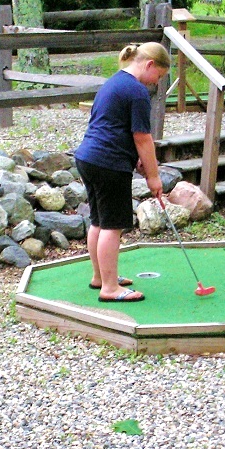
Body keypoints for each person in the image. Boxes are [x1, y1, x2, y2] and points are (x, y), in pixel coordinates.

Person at [74, 42, 170, 303]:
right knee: (113, 225)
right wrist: (153, 175)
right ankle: (110, 288)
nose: (156, 83)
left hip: (88, 157)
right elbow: (143, 138)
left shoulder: (113, 82)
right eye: (159, 76)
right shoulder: (137, 91)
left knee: (99, 221)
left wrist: (136, 160)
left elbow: (114, 126)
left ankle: (100, 277)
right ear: (150, 64)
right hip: (108, 163)